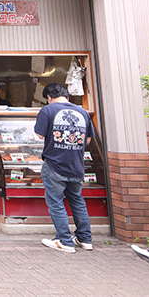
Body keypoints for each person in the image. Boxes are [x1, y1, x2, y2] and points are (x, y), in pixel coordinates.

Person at [34, 82, 95, 253]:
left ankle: (64, 241)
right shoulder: (83, 111)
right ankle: (85, 239)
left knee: (55, 202)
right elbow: (88, 140)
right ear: (67, 97)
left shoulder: (48, 110)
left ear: (49, 97)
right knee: (77, 201)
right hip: (76, 165)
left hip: (55, 164)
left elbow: (39, 134)